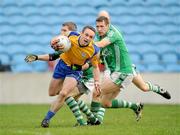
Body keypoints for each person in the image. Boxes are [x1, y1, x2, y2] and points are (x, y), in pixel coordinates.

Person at [26, 25, 101, 127]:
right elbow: (54, 48)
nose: (87, 38)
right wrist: (38, 55)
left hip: (74, 72)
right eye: (86, 35)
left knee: (64, 93)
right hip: (61, 66)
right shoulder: (71, 36)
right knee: (52, 93)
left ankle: (46, 119)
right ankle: (91, 117)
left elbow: (95, 67)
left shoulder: (94, 50)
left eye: (91, 37)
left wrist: (97, 81)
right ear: (81, 33)